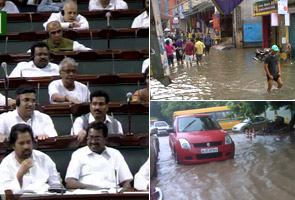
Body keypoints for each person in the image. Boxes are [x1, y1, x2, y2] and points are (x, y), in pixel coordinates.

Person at [66, 121, 133, 190]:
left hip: (111, 194)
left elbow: (126, 182)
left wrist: (122, 192)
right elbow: (70, 182)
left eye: (97, 138)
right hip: (87, 193)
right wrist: (92, 188)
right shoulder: (78, 154)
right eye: (90, 138)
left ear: (105, 139)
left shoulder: (115, 154)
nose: (93, 142)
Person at [0, 124, 61, 194]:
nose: (26, 147)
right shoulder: (6, 164)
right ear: (13, 145)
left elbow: (57, 186)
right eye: (21, 143)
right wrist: (20, 175)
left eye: (28, 142)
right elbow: (5, 194)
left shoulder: (44, 158)